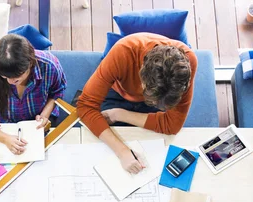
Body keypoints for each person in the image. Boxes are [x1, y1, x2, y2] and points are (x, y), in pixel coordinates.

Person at [77, 33, 197, 174]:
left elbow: (172, 125)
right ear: (141, 74)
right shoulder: (122, 52)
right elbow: (85, 106)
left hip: (144, 102)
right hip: (117, 92)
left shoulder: (186, 65)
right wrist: (122, 151)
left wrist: (119, 114)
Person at [0, 34, 67, 155]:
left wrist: (45, 114)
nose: (10, 82)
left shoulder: (49, 65)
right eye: (4, 77)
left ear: (30, 64)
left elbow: (58, 90)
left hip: (36, 123)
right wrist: (4, 138)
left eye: (16, 78)